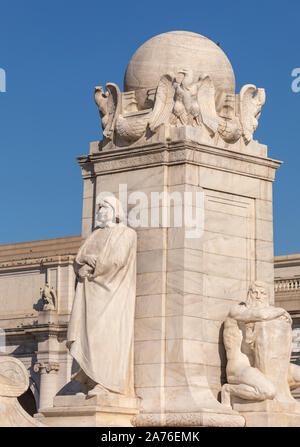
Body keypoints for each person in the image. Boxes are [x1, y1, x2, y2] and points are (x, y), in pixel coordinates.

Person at [67, 195, 137, 398]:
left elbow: (117, 260)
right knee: (88, 337)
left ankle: (107, 382)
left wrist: (92, 266)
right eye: (98, 208)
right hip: (89, 295)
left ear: (115, 211)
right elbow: (79, 257)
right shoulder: (94, 234)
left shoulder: (126, 233)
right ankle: (88, 380)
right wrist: (81, 266)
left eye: (105, 208)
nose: (100, 212)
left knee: (107, 337)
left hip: (111, 294)